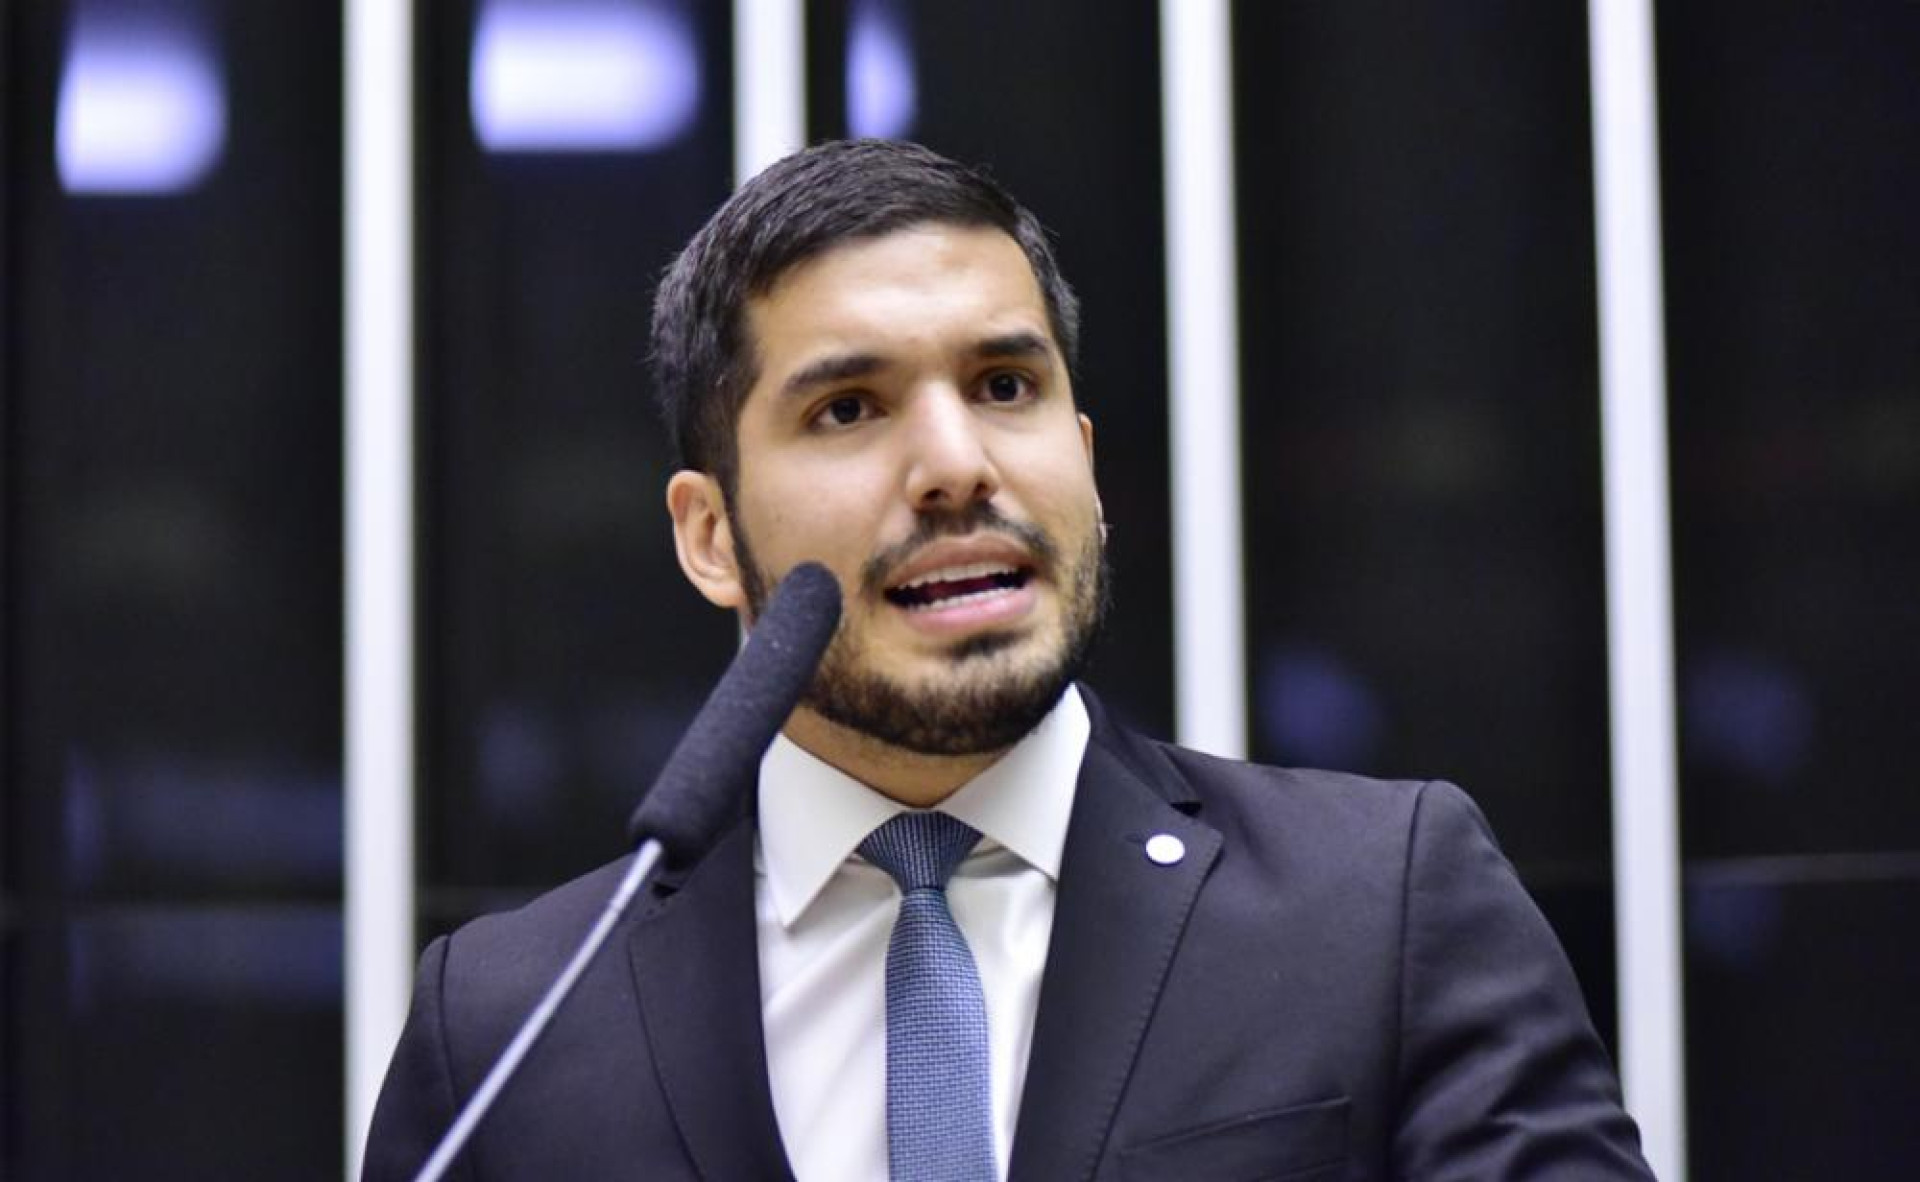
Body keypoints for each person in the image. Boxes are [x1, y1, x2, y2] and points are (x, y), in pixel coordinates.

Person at [363, 139, 1654, 1181]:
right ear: (711, 536)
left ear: (1083, 461)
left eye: (1003, 386)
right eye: (850, 408)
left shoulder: (1384, 909)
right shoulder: (512, 1020)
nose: (956, 465)